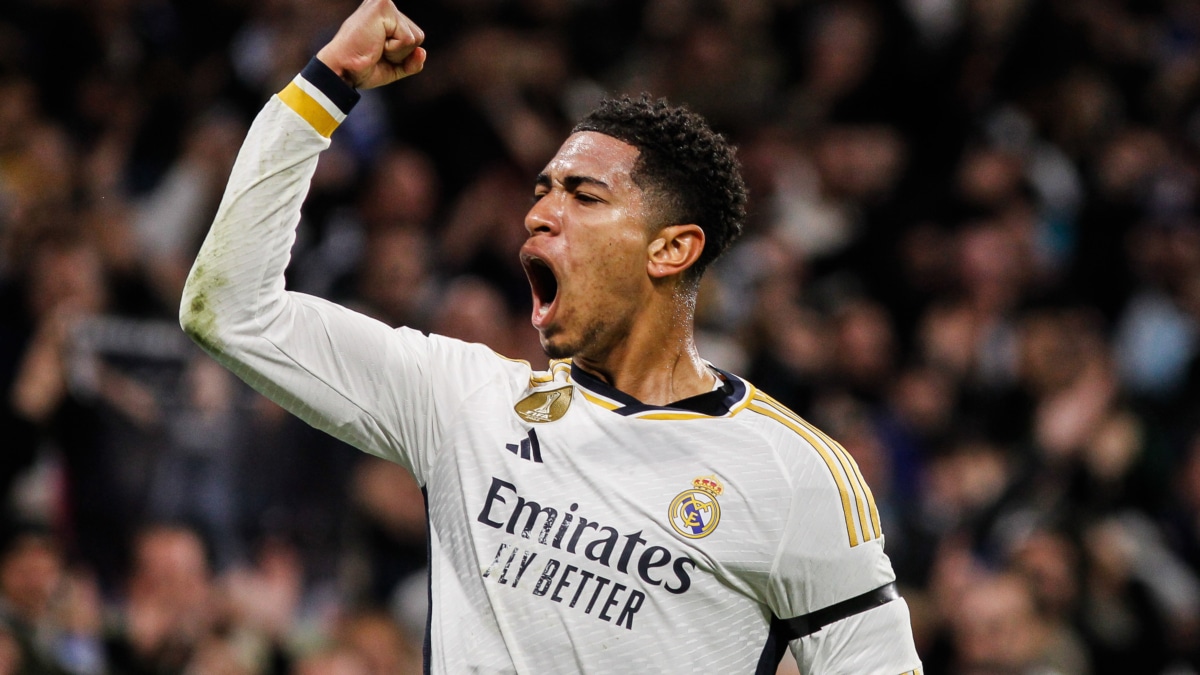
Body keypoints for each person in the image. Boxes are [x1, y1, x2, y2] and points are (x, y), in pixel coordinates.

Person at [178, 0, 922, 671]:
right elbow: (233, 311)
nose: (539, 212)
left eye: (582, 194)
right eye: (541, 189)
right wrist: (326, 82)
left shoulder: (795, 475)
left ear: (671, 249)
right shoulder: (463, 400)